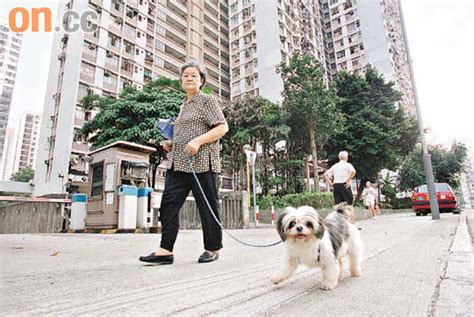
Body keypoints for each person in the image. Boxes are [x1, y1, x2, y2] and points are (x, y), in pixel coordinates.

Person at [140, 60, 228, 265]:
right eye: (186, 75)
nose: (189, 78)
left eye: (194, 75)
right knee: (168, 205)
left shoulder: (207, 101)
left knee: (207, 208)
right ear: (181, 81)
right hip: (178, 164)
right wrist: (171, 143)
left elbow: (222, 128)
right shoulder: (183, 106)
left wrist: (197, 141)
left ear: (201, 81)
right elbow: (186, 132)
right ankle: (165, 250)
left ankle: (212, 248)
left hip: (202, 165)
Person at [323, 151, 357, 223]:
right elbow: (353, 172)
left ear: (339, 158)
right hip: (344, 185)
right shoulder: (348, 165)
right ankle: (352, 223)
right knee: (349, 205)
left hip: (336, 185)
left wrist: (330, 183)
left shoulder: (335, 166)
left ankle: (338, 222)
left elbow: (325, 174)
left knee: (337, 205)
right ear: (346, 158)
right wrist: (347, 179)